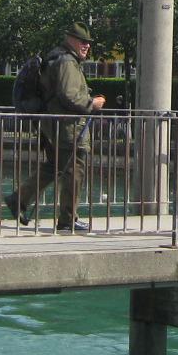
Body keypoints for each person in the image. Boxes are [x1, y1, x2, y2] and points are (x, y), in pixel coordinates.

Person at [7, 23, 105, 234]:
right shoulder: (67, 62)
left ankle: (19, 199)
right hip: (68, 127)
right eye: (82, 41)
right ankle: (67, 219)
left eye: (88, 42)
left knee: (54, 166)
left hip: (57, 125)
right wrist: (92, 103)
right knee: (73, 170)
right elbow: (69, 95)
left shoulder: (60, 58)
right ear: (69, 39)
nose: (86, 45)